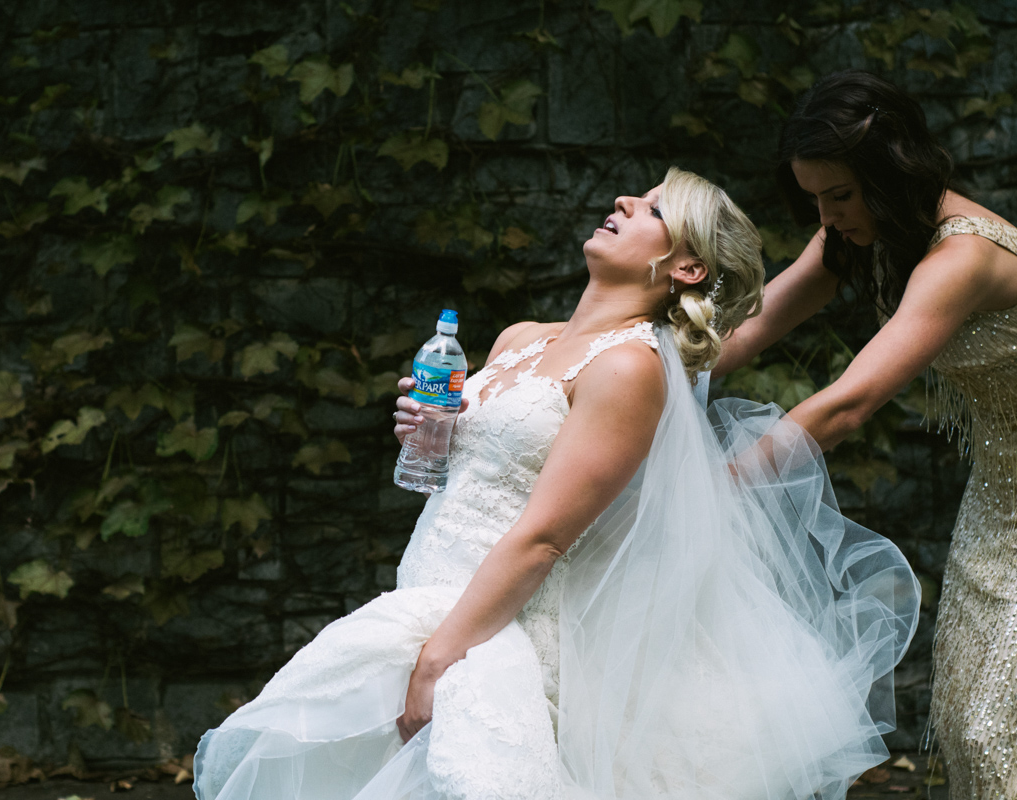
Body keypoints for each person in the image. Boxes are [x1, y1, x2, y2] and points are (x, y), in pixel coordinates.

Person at [192, 167, 919, 799]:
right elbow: (478, 476)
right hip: (426, 587)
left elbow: (544, 536)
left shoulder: (630, 369)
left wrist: (443, 657)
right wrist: (430, 433)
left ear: (687, 270)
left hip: (496, 627)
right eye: (636, 195)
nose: (625, 201)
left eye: (655, 210)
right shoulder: (519, 338)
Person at [714, 69, 1017, 799]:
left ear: (890, 173)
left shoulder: (965, 257)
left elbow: (848, 403)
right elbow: (750, 328)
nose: (826, 214)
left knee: (995, 728)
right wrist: (610, 358)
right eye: (815, 198)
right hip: (1003, 492)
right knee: (961, 725)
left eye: (840, 194)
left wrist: (719, 489)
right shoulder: (866, 232)